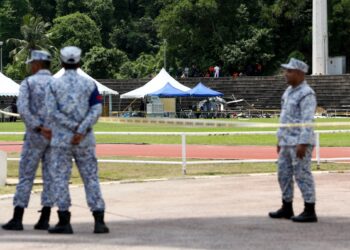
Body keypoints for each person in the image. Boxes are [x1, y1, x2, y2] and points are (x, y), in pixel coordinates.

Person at [46, 46, 109, 234]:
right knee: (91, 178)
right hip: (85, 139)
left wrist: (70, 127)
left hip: (62, 140)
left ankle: (64, 221)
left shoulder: (53, 85)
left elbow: (51, 111)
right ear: (79, 62)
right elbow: (96, 109)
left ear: (62, 62)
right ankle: (99, 221)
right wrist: (81, 129)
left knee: (61, 179)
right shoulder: (90, 84)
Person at [2, 50, 54, 231]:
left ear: (38, 64)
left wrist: (39, 127)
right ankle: (45, 218)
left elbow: (23, 109)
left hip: (34, 136)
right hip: (54, 137)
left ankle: (17, 218)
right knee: (50, 177)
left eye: (32, 63)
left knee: (26, 176)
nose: (30, 66)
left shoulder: (29, 83)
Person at [269, 58, 318, 223]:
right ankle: (287, 206)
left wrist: (303, 142)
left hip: (299, 141)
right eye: (286, 71)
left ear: (299, 73)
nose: (286, 74)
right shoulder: (288, 91)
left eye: (289, 71)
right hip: (286, 141)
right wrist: (279, 139)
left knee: (302, 175)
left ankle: (309, 209)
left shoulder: (307, 93)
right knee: (283, 174)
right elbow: (284, 117)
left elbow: (307, 120)